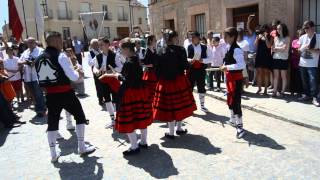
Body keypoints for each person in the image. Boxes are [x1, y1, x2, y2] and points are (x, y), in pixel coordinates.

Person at [35, 31, 95, 163]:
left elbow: (40, 81)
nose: (62, 43)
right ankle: (81, 147)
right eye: (61, 40)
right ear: (55, 41)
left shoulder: (39, 58)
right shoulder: (60, 56)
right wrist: (78, 72)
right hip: (66, 93)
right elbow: (73, 77)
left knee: (52, 123)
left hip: (50, 95)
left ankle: (53, 154)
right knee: (80, 117)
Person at [100, 38, 152, 156]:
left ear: (127, 49)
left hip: (130, 93)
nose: (120, 51)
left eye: (121, 49)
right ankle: (143, 142)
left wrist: (115, 75)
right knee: (140, 117)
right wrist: (118, 74)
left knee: (128, 119)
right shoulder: (137, 59)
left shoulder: (129, 62)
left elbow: (126, 79)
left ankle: (134, 146)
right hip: (140, 91)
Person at [154, 29, 197, 139]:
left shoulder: (159, 51)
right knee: (179, 106)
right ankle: (178, 128)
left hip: (165, 82)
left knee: (170, 107)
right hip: (179, 81)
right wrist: (190, 63)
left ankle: (172, 131)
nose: (177, 39)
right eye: (176, 37)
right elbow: (185, 66)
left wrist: (161, 78)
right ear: (173, 38)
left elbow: (156, 69)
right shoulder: (181, 50)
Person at [220, 27, 246, 139]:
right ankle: (233, 119)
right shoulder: (228, 47)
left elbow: (241, 65)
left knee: (236, 102)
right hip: (229, 78)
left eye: (226, 36)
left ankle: (240, 127)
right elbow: (227, 60)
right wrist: (225, 65)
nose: (224, 38)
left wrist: (227, 67)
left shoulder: (237, 49)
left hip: (236, 80)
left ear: (233, 37)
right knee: (230, 99)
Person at [92, 37, 118, 128]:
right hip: (103, 80)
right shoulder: (98, 56)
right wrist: (96, 71)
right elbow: (94, 67)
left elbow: (120, 67)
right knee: (107, 99)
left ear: (108, 44)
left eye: (102, 45)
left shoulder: (115, 55)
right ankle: (112, 120)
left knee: (116, 99)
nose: (100, 47)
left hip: (113, 80)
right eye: (99, 45)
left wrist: (111, 71)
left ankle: (118, 119)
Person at [19, 37, 46, 117]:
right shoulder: (25, 52)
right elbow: (19, 61)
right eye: (28, 42)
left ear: (35, 42)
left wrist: (34, 62)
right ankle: (39, 108)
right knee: (33, 95)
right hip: (27, 77)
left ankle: (41, 110)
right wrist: (25, 62)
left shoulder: (40, 50)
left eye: (31, 42)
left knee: (38, 94)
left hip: (37, 76)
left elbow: (43, 60)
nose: (29, 44)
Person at [187, 31, 212, 112]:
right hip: (191, 70)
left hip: (201, 70)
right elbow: (186, 58)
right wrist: (190, 60)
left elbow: (210, 58)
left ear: (198, 38)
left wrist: (203, 60)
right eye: (191, 38)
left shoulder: (205, 47)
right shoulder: (189, 47)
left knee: (201, 87)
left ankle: (202, 106)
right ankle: (190, 106)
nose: (192, 39)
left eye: (194, 37)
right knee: (190, 88)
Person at [298, 21, 320, 107]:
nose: (305, 30)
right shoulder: (302, 37)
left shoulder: (318, 37)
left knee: (313, 81)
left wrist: (313, 50)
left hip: (313, 64)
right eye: (304, 28)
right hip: (302, 63)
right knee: (304, 82)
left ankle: (315, 98)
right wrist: (302, 48)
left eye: (307, 28)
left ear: (312, 28)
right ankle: (307, 95)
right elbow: (299, 50)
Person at [272, 23, 290, 97]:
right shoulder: (275, 38)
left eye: (279, 28)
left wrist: (276, 49)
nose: (278, 30)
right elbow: (272, 48)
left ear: (283, 29)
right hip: (276, 58)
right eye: (277, 28)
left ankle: (282, 92)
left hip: (284, 59)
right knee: (276, 76)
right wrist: (277, 49)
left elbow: (284, 49)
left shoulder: (287, 38)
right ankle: (275, 91)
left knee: (283, 76)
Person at [254, 24, 273, 95]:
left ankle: (265, 89)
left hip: (266, 56)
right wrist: (257, 38)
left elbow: (269, 46)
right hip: (259, 56)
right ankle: (259, 88)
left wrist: (266, 38)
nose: (264, 31)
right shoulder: (259, 36)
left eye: (265, 30)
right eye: (263, 30)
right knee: (259, 72)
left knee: (266, 73)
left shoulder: (270, 37)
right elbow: (255, 45)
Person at [142, 35, 158, 101]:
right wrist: (152, 65)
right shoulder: (147, 51)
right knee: (151, 92)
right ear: (150, 41)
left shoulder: (154, 49)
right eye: (155, 40)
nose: (156, 41)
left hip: (155, 73)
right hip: (150, 74)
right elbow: (144, 63)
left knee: (156, 92)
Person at [290, 29, 304, 96]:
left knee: (300, 78)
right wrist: (296, 51)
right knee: (293, 77)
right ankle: (292, 90)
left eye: (301, 35)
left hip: (301, 62)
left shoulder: (304, 42)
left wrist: (297, 51)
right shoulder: (294, 41)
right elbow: (292, 50)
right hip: (293, 62)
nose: (300, 36)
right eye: (299, 34)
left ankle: (300, 91)